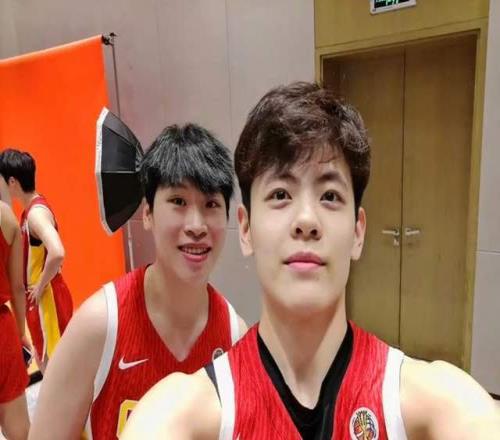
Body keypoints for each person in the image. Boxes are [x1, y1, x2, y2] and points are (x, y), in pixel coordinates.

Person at [123, 82, 500, 439]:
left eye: (330, 196)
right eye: (281, 194)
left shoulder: (435, 401)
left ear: (357, 232)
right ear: (247, 229)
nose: (306, 219)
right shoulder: (181, 414)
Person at [29, 123, 247, 439]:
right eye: (178, 201)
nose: (196, 225)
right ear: (148, 213)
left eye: (211, 204)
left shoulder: (234, 335)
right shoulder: (99, 326)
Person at [0, 149, 73, 374]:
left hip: (47, 300)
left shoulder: (35, 215)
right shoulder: (31, 209)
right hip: (43, 298)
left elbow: (57, 252)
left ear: (12, 182)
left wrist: (40, 285)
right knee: (49, 365)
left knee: (54, 369)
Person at [0, 197, 31, 440]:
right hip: (3, 333)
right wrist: (21, 333)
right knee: (19, 431)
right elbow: (18, 287)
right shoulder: (6, 216)